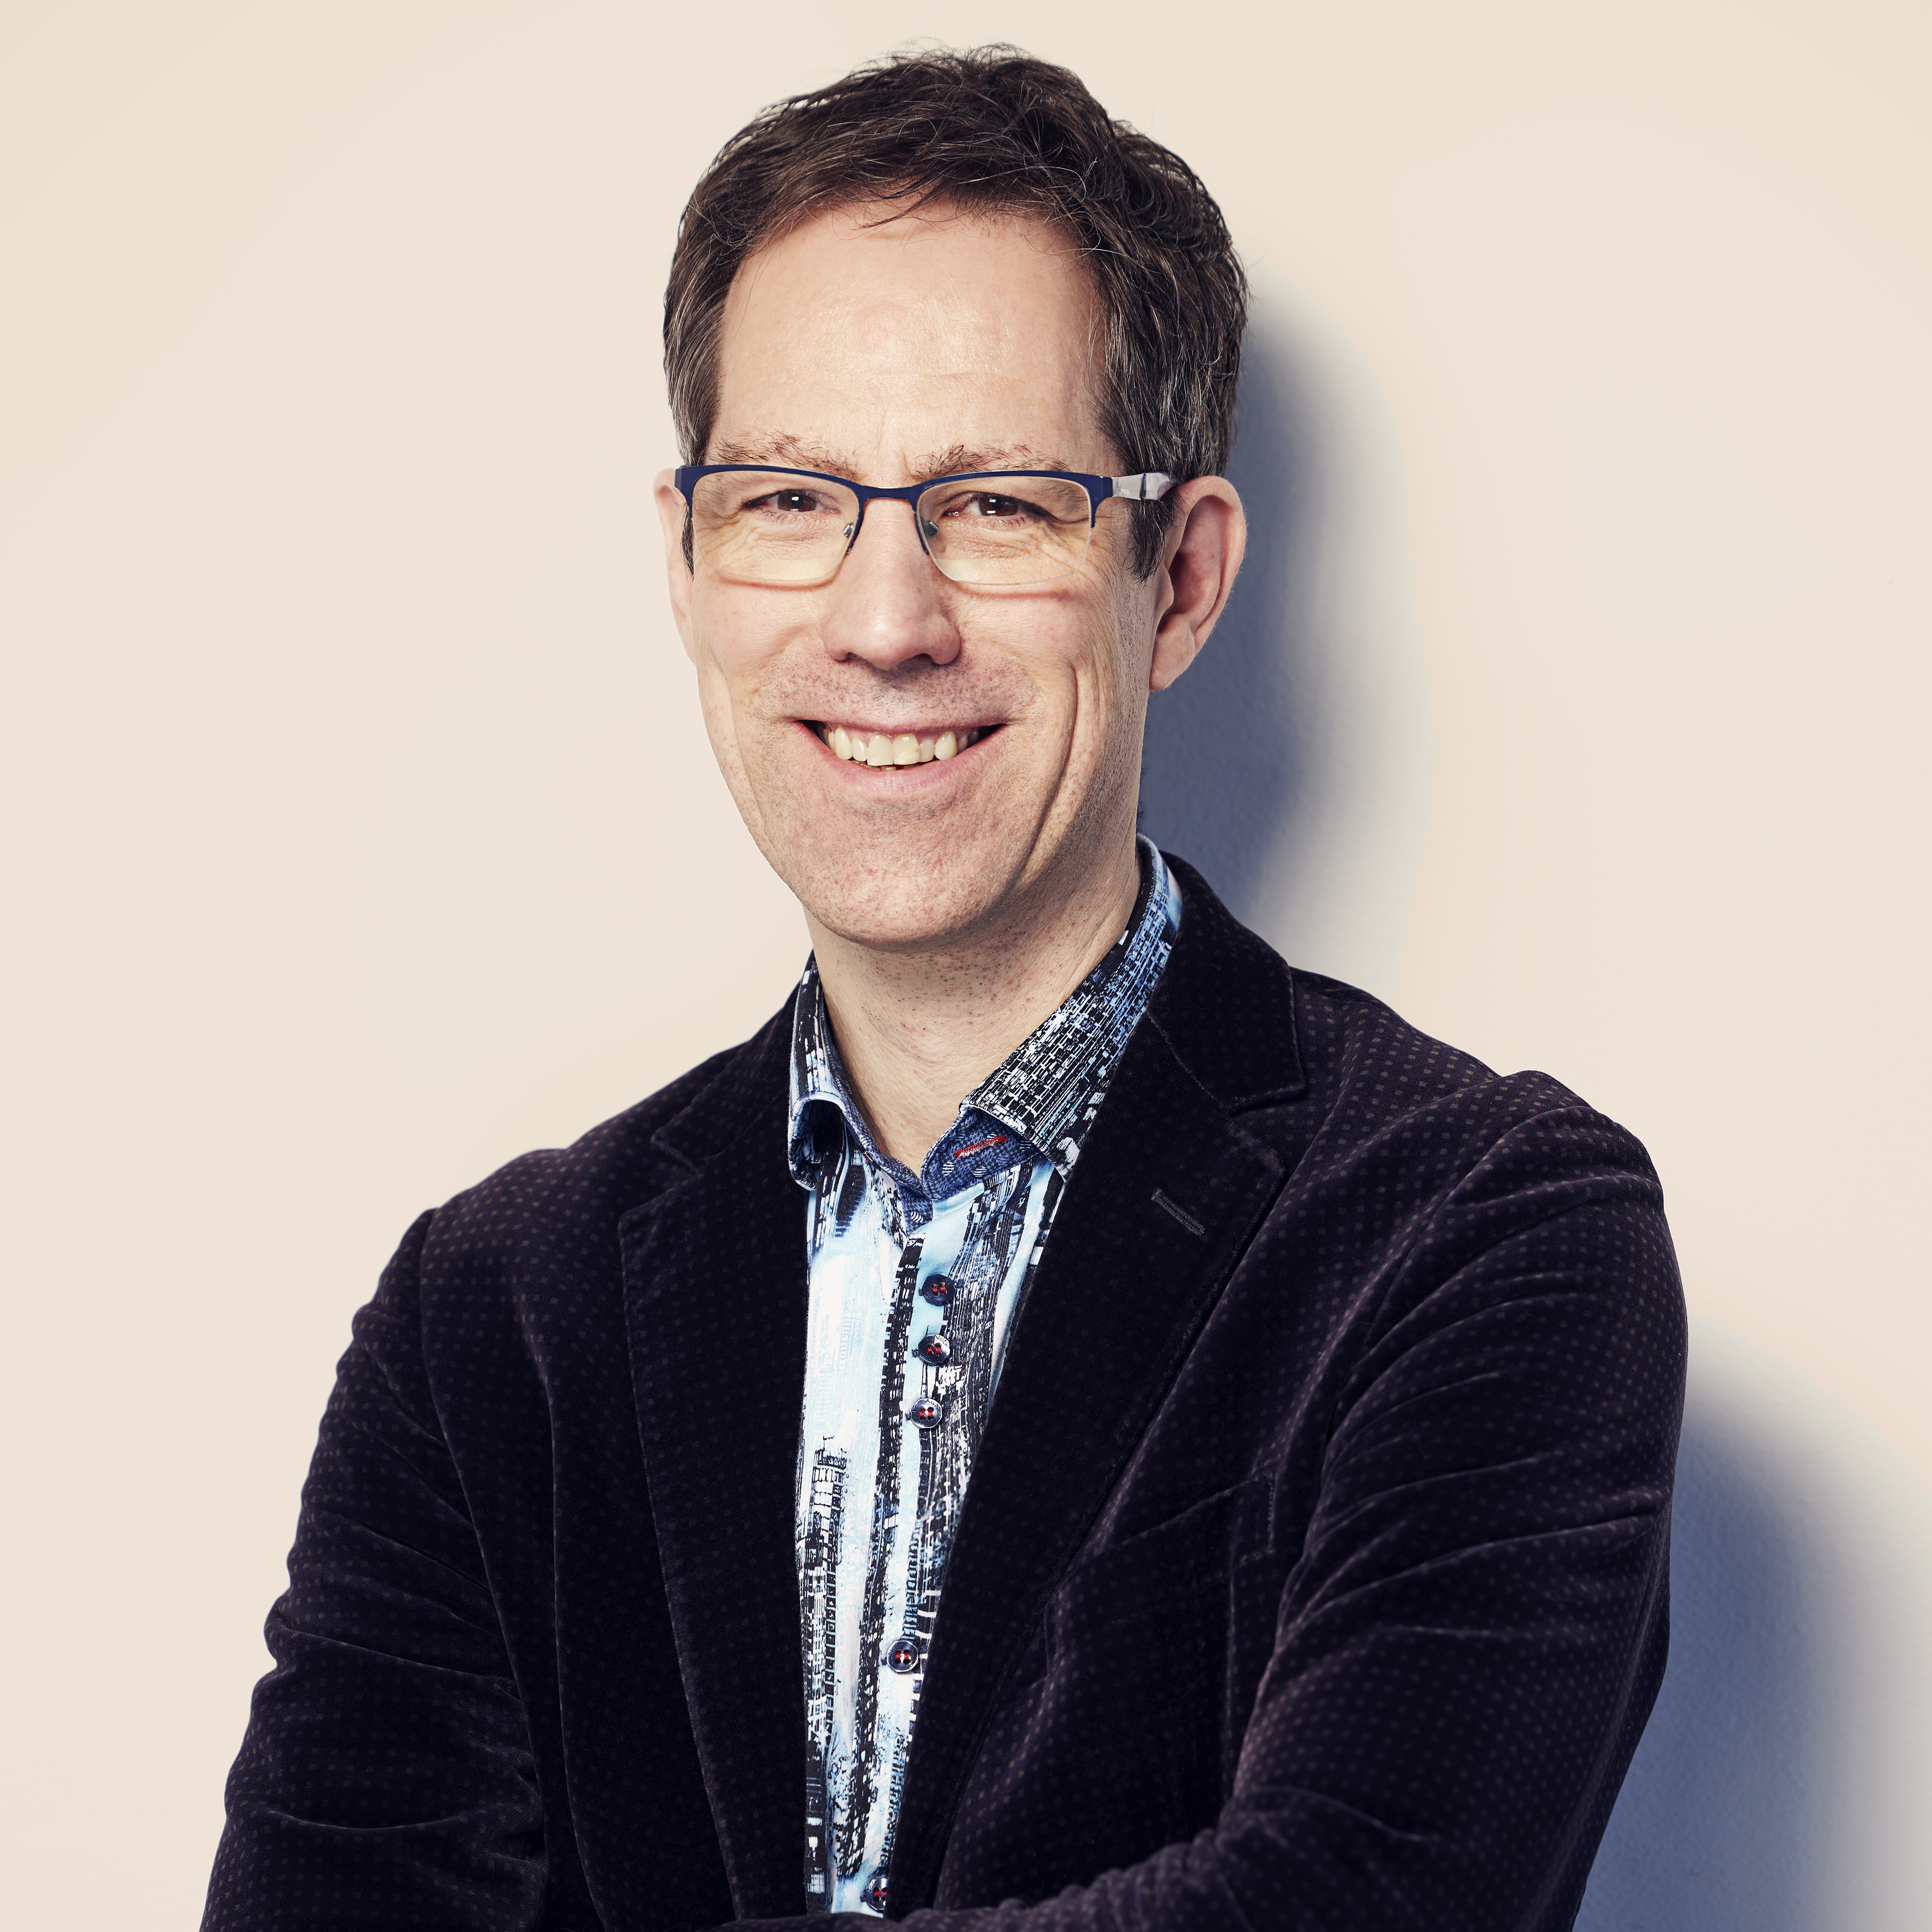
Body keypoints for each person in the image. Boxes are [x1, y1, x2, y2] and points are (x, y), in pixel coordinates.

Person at [201, 46, 1685, 1932]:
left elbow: (1353, 1902)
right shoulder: (489, 1322)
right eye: (787, 499)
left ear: (1179, 579)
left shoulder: (1488, 1235)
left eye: (997, 505)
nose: (886, 622)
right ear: (688, 564)